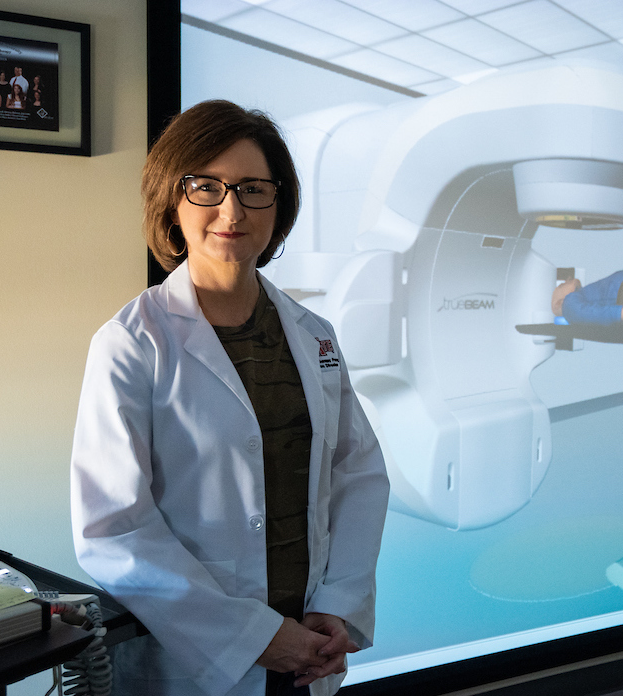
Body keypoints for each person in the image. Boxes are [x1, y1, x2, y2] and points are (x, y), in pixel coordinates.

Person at [71, 99, 389, 696]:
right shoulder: (132, 344)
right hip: (197, 661)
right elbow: (113, 528)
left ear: (278, 204)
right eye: (207, 187)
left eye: (252, 189)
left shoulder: (313, 334)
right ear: (172, 199)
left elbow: (358, 473)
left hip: (312, 646)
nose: (232, 209)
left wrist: (337, 606)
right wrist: (255, 637)